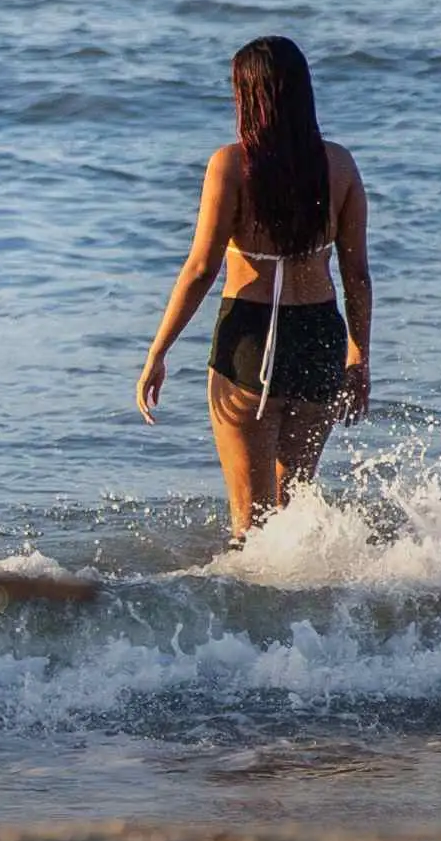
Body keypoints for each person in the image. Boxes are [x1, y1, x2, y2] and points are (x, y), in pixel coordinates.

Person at [134, 34, 374, 544]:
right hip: (320, 340)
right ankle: (311, 623)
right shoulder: (340, 166)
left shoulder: (232, 165)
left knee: (249, 525)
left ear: (249, 96)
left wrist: (158, 351)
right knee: (295, 516)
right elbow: (357, 275)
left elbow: (201, 267)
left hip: (251, 342)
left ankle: (250, 624)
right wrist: (360, 356)